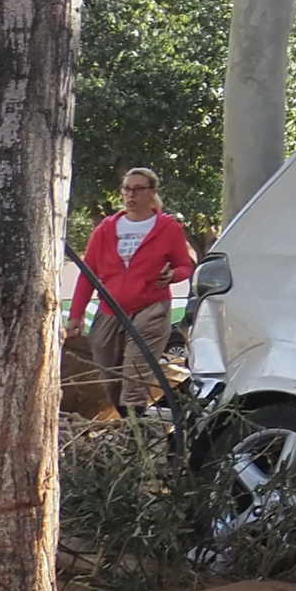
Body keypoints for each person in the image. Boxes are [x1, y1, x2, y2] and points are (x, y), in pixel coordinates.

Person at [70, 168, 197, 412]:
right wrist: (75, 316)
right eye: (127, 189)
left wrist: (173, 275)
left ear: (152, 192)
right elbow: (87, 276)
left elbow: (185, 266)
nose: (131, 195)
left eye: (138, 189)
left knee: (135, 374)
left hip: (151, 307)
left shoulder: (168, 228)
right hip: (110, 308)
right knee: (109, 374)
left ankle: (134, 430)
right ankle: (129, 423)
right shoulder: (105, 230)